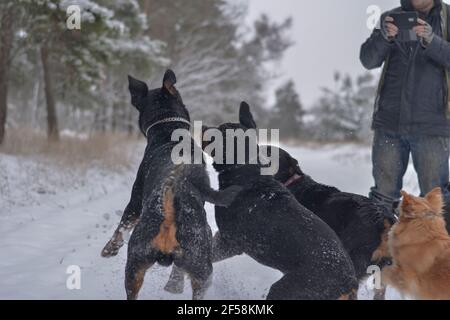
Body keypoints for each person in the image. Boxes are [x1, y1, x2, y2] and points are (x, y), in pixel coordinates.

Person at [360, 0, 450, 216]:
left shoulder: (447, 18)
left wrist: (432, 40)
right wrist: (384, 37)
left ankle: (437, 249)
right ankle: (382, 248)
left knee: (434, 199)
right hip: (389, 123)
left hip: (432, 126)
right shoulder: (390, 18)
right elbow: (368, 60)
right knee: (382, 196)